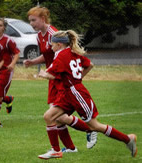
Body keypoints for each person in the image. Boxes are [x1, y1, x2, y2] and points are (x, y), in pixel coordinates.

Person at [38, 30, 137, 159]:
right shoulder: (72, 52)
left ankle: (128, 139)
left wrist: (42, 74)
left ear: (59, 45)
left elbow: (51, 75)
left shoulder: (61, 55)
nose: (51, 47)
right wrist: (78, 79)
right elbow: (89, 64)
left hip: (77, 94)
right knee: (49, 116)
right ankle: (56, 150)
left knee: (95, 126)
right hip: (69, 93)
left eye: (52, 44)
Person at [24, 6, 85, 153]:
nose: (31, 23)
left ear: (43, 19)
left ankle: (91, 129)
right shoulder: (39, 36)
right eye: (30, 21)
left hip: (60, 78)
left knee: (56, 116)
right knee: (57, 117)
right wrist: (33, 62)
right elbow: (47, 56)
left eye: (34, 20)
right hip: (52, 78)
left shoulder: (53, 33)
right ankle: (70, 148)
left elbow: (67, 53)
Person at [0, 17, 20, 118]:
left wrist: (12, 64)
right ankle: (8, 99)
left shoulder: (8, 40)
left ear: (4, 28)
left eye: (0, 25)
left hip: (5, 71)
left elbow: (17, 53)